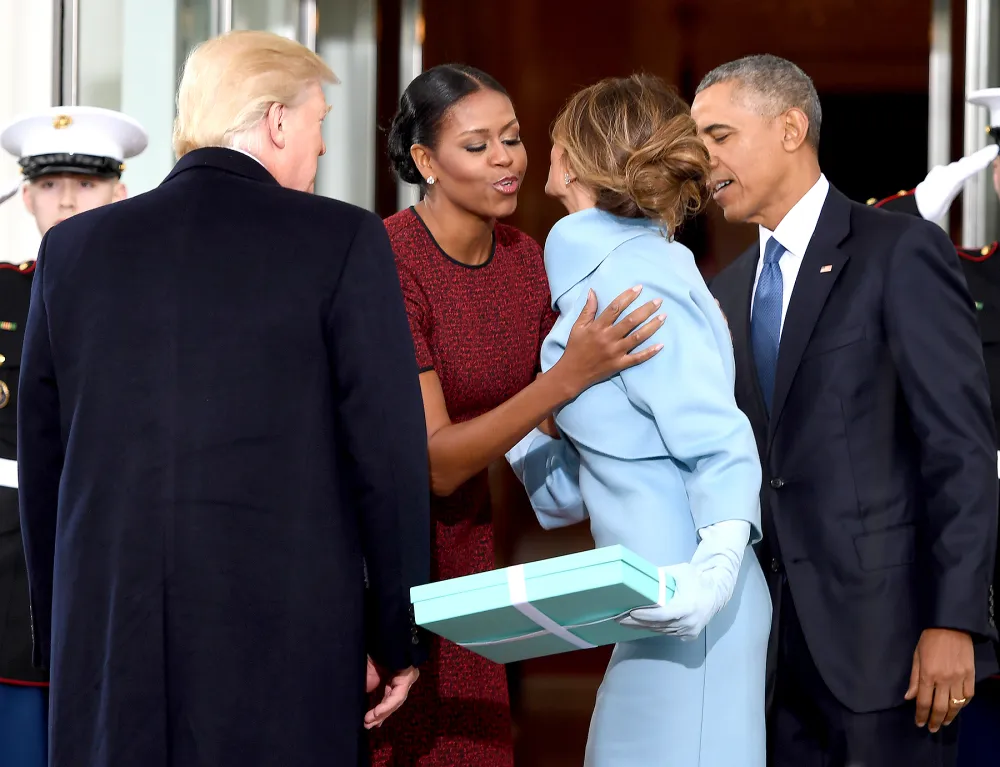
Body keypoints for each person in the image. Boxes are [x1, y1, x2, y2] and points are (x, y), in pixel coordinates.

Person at [17, 30, 429, 767]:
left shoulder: (72, 252)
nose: (322, 147)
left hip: (113, 646)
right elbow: (388, 456)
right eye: (319, 120)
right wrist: (396, 632)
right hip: (285, 644)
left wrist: (66, 641)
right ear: (275, 120)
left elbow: (45, 464)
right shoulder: (343, 240)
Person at [695, 54, 998, 767]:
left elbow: (957, 449)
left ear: (791, 128)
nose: (702, 161)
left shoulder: (899, 250)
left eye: (719, 136)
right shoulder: (725, 288)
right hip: (766, 661)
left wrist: (954, 620)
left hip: (893, 652)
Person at [372, 64, 666, 766]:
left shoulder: (526, 257)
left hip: (474, 554)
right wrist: (567, 377)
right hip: (388, 559)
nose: (506, 159)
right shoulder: (388, 259)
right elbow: (436, 463)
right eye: (478, 146)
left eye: (512, 138)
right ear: (425, 162)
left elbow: (553, 414)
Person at [504, 73, 769, 767]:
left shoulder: (634, 278)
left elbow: (719, 442)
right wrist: (524, 405)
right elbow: (563, 498)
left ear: (577, 154)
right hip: (648, 606)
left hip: (695, 610)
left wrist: (709, 580)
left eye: (557, 132)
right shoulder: (598, 273)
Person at [0, 104, 147, 767]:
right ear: (26, 194)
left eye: (85, 184)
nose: (66, 199)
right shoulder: (5, 292)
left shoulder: (153, 299)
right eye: (51, 184)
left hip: (123, 545)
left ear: (120, 192)